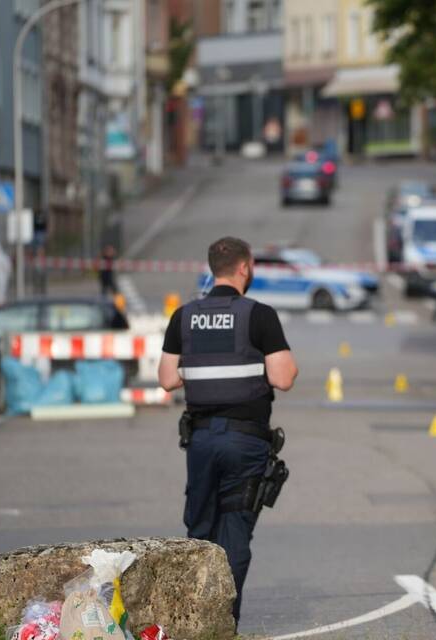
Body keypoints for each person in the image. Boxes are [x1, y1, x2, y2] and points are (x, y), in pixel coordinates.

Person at [157, 237, 299, 625]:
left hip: (200, 441)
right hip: (245, 441)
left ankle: (192, 621)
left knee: (200, 531)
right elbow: (283, 378)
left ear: (211, 268)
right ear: (244, 267)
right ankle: (222, 625)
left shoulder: (184, 317)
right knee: (234, 534)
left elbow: (168, 379)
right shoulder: (259, 315)